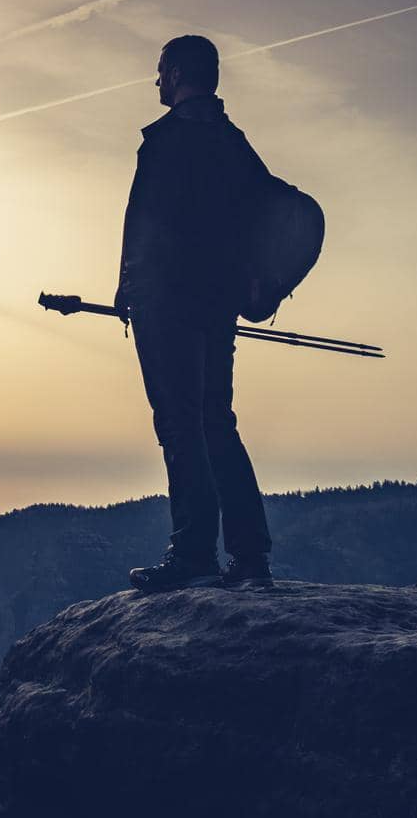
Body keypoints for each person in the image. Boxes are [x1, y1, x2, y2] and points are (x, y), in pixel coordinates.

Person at [115, 35, 274, 592]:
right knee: (215, 421)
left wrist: (128, 286)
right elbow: (273, 213)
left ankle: (193, 555)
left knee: (181, 425)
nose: (155, 82)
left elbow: (145, 223)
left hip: (168, 304)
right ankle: (250, 554)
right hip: (216, 303)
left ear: (179, 74)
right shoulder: (233, 143)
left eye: (160, 72)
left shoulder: (167, 141)